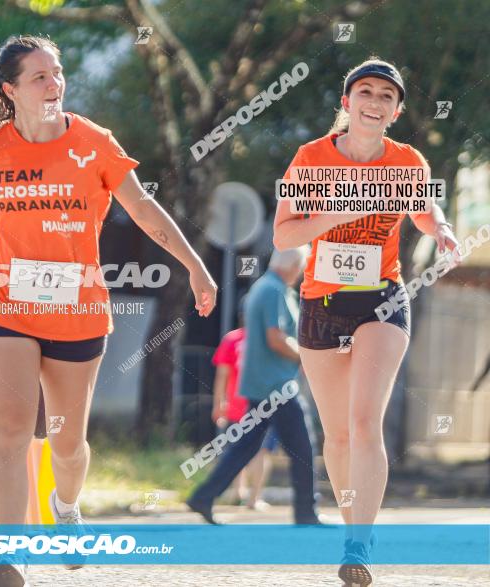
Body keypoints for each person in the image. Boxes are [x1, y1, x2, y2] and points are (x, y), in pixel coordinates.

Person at [0, 35, 217, 586]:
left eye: (58, 72)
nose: (54, 83)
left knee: (66, 443)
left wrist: (194, 265)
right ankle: (10, 553)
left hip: (78, 312)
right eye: (39, 77)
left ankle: (65, 507)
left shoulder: (93, 143)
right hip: (7, 305)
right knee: (11, 434)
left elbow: (143, 208)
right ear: (11, 90)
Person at [273, 58, 459, 586]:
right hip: (322, 303)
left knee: (362, 423)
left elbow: (422, 208)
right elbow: (283, 237)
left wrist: (441, 229)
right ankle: (352, 524)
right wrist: (333, 212)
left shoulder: (406, 161)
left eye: (385, 96)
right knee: (335, 435)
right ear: (346, 103)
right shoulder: (311, 159)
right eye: (365, 92)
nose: (374, 102)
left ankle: (358, 546)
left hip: (382, 298)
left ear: (395, 111)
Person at [188, 248, 323, 526]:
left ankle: (204, 496)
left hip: (262, 383)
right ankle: (306, 512)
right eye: (301, 268)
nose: (300, 274)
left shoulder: (265, 288)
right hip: (276, 386)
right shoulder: (273, 291)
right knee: (302, 447)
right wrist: (306, 355)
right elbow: (275, 338)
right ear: (293, 266)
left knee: (246, 446)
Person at [211, 303, 272, 510]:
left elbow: (223, 374)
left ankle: (238, 492)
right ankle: (254, 498)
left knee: (239, 448)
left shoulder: (232, 339)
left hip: (236, 404)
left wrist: (218, 403)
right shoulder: (270, 339)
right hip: (264, 403)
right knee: (261, 451)